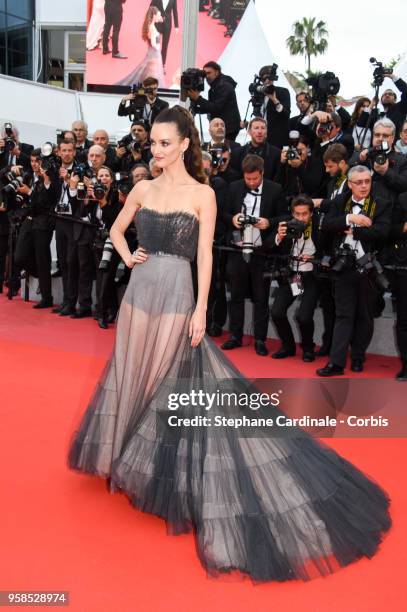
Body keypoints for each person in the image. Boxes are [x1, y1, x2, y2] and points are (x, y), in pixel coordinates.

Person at [68, 105, 391, 583]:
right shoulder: (142, 187)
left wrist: (201, 309)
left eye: (162, 143)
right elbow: (114, 229)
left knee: (170, 379)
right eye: (151, 142)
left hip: (178, 292)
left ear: (183, 144)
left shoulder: (203, 194)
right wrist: (127, 254)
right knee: (132, 370)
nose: (154, 150)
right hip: (140, 293)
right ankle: (131, 461)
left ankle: (169, 472)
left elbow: (204, 257)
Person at [317, 166, 392, 377]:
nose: (364, 186)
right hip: (342, 266)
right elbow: (327, 224)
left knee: (364, 316)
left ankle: (358, 357)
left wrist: (355, 231)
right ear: (349, 184)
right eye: (358, 182)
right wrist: (350, 218)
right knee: (343, 315)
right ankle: (336, 363)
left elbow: (383, 232)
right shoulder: (340, 202)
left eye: (367, 181)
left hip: (368, 268)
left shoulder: (381, 202)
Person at [187, 62, 241, 141]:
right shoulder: (214, 87)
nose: (207, 76)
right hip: (222, 126)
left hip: (228, 128)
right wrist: (196, 109)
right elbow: (211, 107)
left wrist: (197, 98)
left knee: (224, 150)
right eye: (205, 74)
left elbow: (215, 107)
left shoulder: (224, 86)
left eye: (209, 73)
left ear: (217, 72)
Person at [116, 7, 165, 88]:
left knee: (146, 72)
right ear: (154, 16)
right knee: (153, 74)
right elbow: (153, 43)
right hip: (154, 54)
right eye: (158, 15)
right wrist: (158, 47)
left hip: (151, 53)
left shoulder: (150, 25)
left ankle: (145, 87)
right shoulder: (152, 28)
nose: (159, 17)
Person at [149, 0, 179, 70]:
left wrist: (176, 25)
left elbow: (175, 11)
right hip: (158, 23)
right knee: (156, 44)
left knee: (165, 45)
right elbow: (151, 7)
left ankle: (162, 65)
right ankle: (154, 62)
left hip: (167, 25)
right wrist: (150, 20)